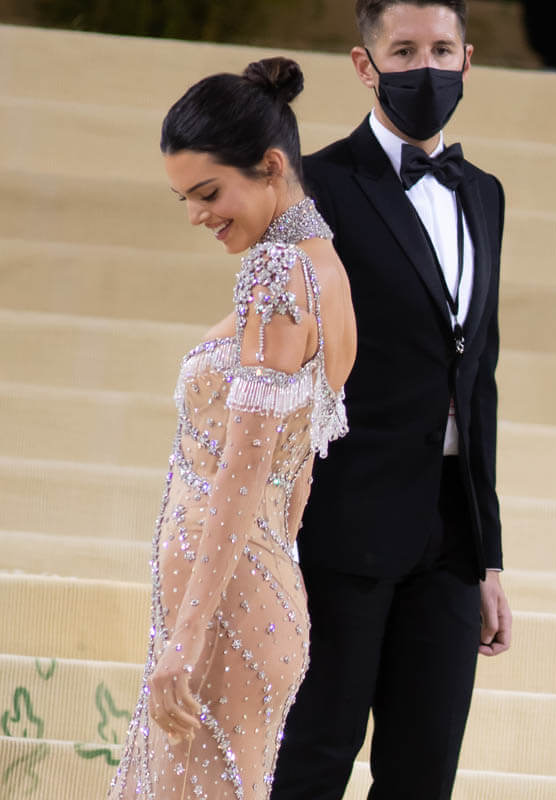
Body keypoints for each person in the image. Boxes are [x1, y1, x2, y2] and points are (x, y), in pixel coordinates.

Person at [270, 2, 511, 798]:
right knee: (313, 760)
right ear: (364, 64)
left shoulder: (485, 194)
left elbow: (479, 379)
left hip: (449, 535)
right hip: (342, 522)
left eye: (441, 49)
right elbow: (286, 363)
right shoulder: (318, 186)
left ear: (467, 59)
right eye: (403, 51)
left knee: (424, 775)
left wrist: (487, 555)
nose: (425, 68)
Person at [108, 57, 357, 799]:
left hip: (222, 614)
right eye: (185, 198)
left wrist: (187, 636)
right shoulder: (327, 273)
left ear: (271, 167)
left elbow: (247, 470)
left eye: (209, 193)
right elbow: (295, 477)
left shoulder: (276, 273)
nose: (197, 215)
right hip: (249, 597)